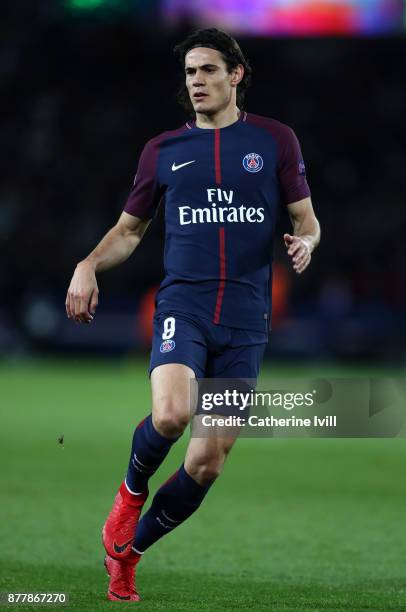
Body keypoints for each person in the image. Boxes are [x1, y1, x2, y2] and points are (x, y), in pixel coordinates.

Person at [65, 27, 320, 602]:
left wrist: (308, 242)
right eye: (189, 73)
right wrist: (87, 265)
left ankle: (127, 556)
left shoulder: (276, 141)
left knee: (206, 463)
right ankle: (129, 496)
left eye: (207, 70)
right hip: (186, 306)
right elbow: (129, 232)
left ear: (236, 75)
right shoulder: (163, 151)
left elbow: (307, 219)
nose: (196, 82)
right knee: (174, 414)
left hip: (247, 321)